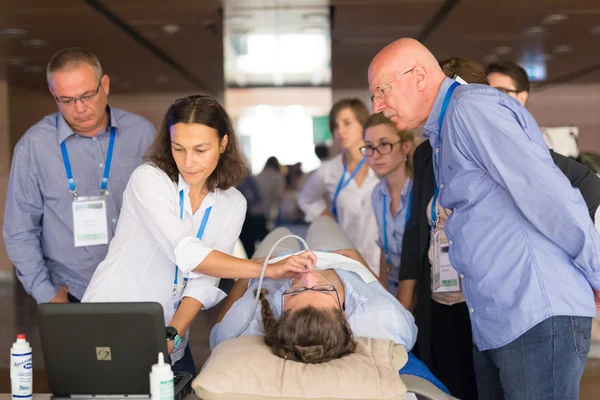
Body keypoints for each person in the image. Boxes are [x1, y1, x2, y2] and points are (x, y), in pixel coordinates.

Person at [369, 39, 600, 399]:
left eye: (382, 91)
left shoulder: (471, 109)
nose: (378, 106)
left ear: (417, 76)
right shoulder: (441, 131)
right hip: (497, 318)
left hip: (534, 312)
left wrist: (595, 271)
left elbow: (548, 195)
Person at [82, 95, 317, 376]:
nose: (188, 162)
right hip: (111, 321)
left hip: (170, 335)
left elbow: (204, 281)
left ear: (223, 143)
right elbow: (188, 253)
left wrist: (172, 335)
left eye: (201, 150)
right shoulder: (150, 180)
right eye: (178, 148)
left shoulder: (232, 203)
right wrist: (268, 269)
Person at [3, 47, 156, 304]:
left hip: (141, 284)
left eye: (87, 95)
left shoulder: (142, 134)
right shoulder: (34, 146)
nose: (80, 108)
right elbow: (19, 230)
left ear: (104, 85)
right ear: (54, 96)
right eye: (67, 100)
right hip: (73, 292)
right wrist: (46, 294)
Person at [210, 215, 417, 364]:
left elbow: (216, 335)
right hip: (339, 259)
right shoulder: (384, 320)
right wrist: (360, 264)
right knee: (323, 220)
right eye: (324, 290)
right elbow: (394, 307)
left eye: (297, 291)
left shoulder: (248, 320)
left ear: (280, 316)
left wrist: (257, 267)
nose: (308, 276)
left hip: (275, 259)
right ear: (344, 316)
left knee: (280, 232)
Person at [485, 60, 600, 226]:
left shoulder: (532, 143)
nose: (491, 98)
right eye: (486, 91)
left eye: (500, 91)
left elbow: (588, 184)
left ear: (521, 97)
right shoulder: (480, 141)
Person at [298, 99, 381, 275]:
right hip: (346, 256)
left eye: (347, 123)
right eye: (335, 126)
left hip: (382, 258)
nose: (340, 131)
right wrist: (323, 213)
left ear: (363, 123)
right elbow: (305, 199)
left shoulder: (381, 162)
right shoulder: (329, 170)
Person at [361, 113, 414, 295]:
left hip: (423, 293)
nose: (376, 155)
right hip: (393, 287)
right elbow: (385, 250)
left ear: (405, 146)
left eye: (384, 144)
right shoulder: (378, 194)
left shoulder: (420, 190)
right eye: (369, 147)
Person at [256, 156, 286, 229]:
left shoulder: (258, 176)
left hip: (257, 211)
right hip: (272, 210)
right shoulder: (278, 176)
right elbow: (280, 194)